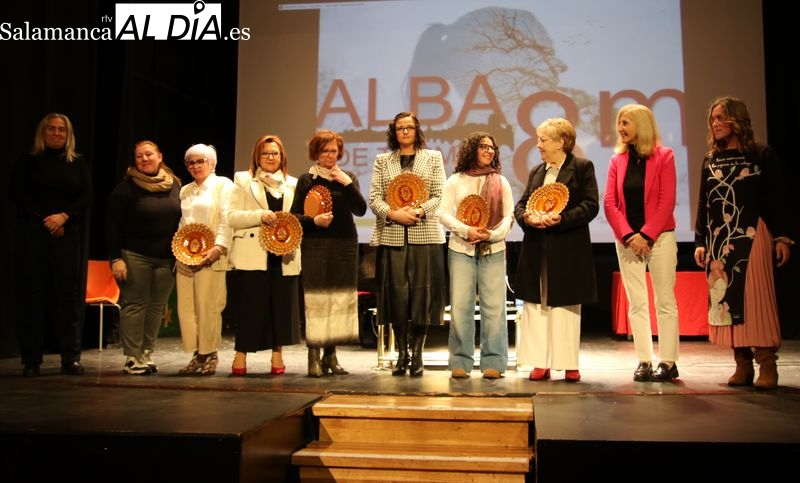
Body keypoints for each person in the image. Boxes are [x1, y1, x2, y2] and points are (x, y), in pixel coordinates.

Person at [693, 96, 794, 390]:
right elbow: (704, 203)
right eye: (713, 119)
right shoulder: (710, 159)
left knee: (754, 298)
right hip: (719, 240)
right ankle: (742, 364)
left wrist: (782, 237)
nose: (715, 124)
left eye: (721, 118)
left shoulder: (761, 154)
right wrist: (701, 241)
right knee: (726, 301)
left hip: (752, 234)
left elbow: (777, 198)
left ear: (737, 120)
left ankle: (766, 362)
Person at [514, 117, 598, 382]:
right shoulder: (537, 171)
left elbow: (590, 205)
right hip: (537, 247)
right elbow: (522, 204)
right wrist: (526, 218)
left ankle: (568, 363)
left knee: (566, 306)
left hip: (567, 247)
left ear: (561, 142)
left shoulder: (582, 167)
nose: (538, 145)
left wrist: (562, 219)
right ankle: (540, 362)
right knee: (537, 306)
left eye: (543, 140)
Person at [11, 113, 92, 377]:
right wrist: (44, 220)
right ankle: (31, 360)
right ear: (42, 133)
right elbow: (17, 195)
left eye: (62, 130)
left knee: (68, 298)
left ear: (68, 135)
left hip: (67, 235)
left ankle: (71, 358)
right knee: (32, 297)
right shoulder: (28, 161)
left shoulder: (76, 163)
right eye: (52, 129)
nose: (57, 134)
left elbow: (85, 195)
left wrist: (63, 217)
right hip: (34, 233)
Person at [603, 104, 680, 383]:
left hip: (659, 238)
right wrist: (628, 235)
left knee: (665, 301)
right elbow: (610, 203)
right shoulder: (616, 161)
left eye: (626, 123)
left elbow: (666, 200)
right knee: (636, 302)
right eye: (619, 123)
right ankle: (644, 360)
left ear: (642, 126)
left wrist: (646, 234)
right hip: (626, 241)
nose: (620, 128)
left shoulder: (665, 156)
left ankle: (668, 361)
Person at [368, 111, 446, 377]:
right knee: (397, 296)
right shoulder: (382, 161)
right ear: (394, 131)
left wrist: (419, 211)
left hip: (424, 234)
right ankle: (401, 353)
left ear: (417, 130)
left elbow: (439, 194)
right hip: (392, 234)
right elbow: (375, 197)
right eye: (400, 128)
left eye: (409, 127)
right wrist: (394, 214)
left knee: (421, 297)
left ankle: (418, 355)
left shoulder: (433, 157)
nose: (404, 132)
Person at [290, 130, 367, 377]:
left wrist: (347, 184)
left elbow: (361, 210)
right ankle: (313, 355)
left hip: (345, 245)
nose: (330, 155)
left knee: (338, 300)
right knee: (316, 300)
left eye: (334, 151)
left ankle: (330, 356)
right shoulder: (307, 180)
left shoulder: (348, 177)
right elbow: (293, 216)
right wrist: (314, 221)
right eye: (325, 151)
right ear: (316, 153)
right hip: (316, 246)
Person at [439, 132, 514, 379]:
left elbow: (508, 216)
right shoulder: (455, 181)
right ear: (472, 150)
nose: (489, 151)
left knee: (494, 308)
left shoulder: (501, 181)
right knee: (461, 307)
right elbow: (443, 214)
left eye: (492, 148)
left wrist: (491, 235)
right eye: (483, 147)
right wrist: (466, 230)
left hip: (493, 249)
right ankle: (460, 360)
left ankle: (494, 361)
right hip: (461, 249)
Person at [227, 135, 302, 376]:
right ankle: (241, 353)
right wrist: (260, 215)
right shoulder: (243, 180)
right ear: (257, 157)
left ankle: (277, 353)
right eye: (265, 153)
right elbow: (232, 217)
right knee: (251, 307)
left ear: (282, 157)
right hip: (253, 253)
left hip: (284, 254)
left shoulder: (293, 184)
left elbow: (298, 220)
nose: (270, 157)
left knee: (280, 307)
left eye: (275, 153)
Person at [106, 140, 182, 375]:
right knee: (134, 305)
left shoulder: (175, 185)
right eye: (139, 156)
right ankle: (132, 356)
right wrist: (115, 258)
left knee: (156, 308)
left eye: (149, 154)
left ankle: (146, 353)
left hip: (166, 258)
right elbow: (111, 225)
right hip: (135, 255)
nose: (144, 159)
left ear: (160, 156)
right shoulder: (125, 189)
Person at [175, 144, 233, 376]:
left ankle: (210, 353)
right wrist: (181, 251)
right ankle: (197, 354)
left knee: (208, 307)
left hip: (212, 256)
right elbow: (183, 222)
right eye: (191, 162)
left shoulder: (223, 185)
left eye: (201, 161)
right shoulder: (185, 190)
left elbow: (226, 219)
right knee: (187, 309)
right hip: (187, 256)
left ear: (212, 163)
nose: (195, 166)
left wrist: (218, 248)